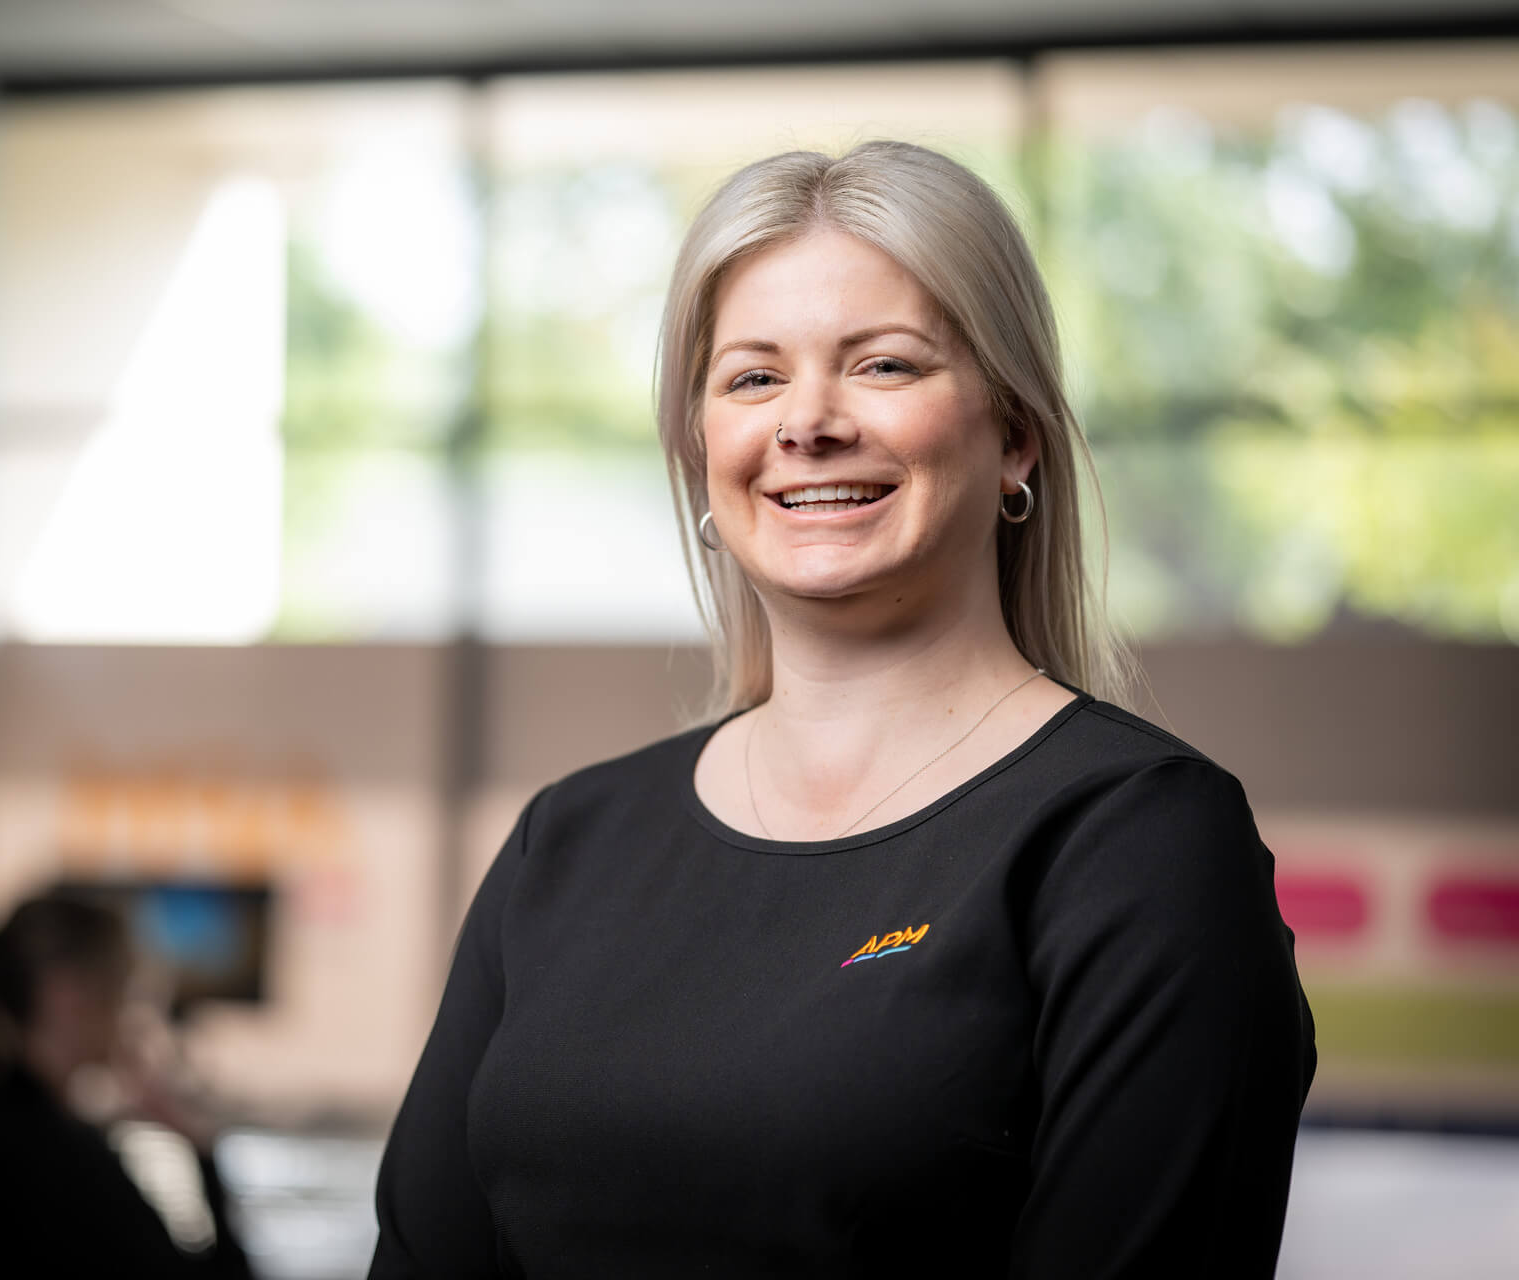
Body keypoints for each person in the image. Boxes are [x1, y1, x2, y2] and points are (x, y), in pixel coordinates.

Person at [369, 140, 1316, 1278]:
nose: (806, 422)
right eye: (753, 377)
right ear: (702, 446)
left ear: (1014, 434)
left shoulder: (1138, 844)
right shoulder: (566, 842)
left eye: (883, 365)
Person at [0, 892, 254, 1279]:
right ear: (69, 995)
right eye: (124, 989)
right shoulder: (43, 1149)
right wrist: (202, 1149)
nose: (131, 1015)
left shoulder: (11, 1120)